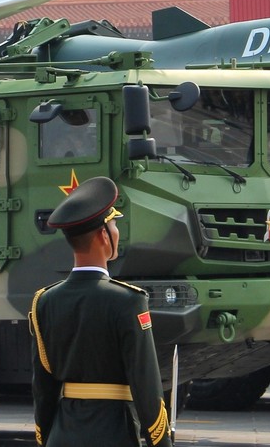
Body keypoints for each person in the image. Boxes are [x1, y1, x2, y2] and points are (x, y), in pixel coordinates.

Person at [30, 176, 172, 447]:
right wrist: (161, 442)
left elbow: (43, 390)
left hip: (63, 435)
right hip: (115, 432)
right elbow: (146, 384)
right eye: (114, 225)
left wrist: (46, 438)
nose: (117, 233)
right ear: (102, 235)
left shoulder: (45, 301)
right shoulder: (128, 301)